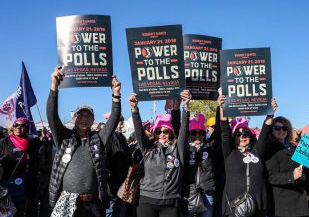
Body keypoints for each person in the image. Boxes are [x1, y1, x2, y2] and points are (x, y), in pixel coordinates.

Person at [46, 66, 122, 217]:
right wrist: (54, 85)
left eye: (89, 116)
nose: (84, 118)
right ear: (74, 118)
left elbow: (113, 120)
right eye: (80, 115)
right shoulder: (64, 137)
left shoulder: (98, 139)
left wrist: (116, 95)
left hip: (94, 204)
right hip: (68, 202)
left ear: (93, 120)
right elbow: (51, 115)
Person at [129, 90, 190, 217]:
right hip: (146, 201)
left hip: (170, 202)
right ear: (154, 133)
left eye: (166, 131)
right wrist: (134, 110)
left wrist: (186, 107)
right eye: (158, 131)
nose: (162, 134)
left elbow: (184, 129)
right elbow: (139, 130)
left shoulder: (178, 148)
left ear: (171, 133)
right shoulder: (148, 148)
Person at [218, 95, 277, 217]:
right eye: (238, 134)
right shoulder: (229, 152)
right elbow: (224, 132)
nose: (242, 136)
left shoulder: (257, 151)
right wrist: (222, 107)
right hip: (233, 207)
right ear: (233, 137)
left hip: (258, 207)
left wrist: (270, 113)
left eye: (245, 133)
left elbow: (265, 133)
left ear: (250, 136)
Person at [266, 117, 309, 217]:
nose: (281, 131)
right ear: (271, 130)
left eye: (284, 128)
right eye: (277, 128)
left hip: (300, 198)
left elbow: (302, 169)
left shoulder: (295, 147)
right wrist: (291, 176)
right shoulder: (269, 149)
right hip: (283, 202)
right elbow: (270, 177)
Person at [0, 117, 40, 217]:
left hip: (28, 184)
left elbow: (38, 161)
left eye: (22, 125)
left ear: (27, 128)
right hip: (8, 184)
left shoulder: (33, 143)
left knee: (27, 211)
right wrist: (7, 158)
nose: (18, 127)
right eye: (16, 125)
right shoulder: (3, 142)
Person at [183, 113, 217, 217]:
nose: (198, 135)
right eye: (194, 132)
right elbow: (179, 128)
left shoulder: (210, 147)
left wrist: (221, 107)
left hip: (207, 192)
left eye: (201, 133)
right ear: (189, 134)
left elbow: (221, 132)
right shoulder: (184, 149)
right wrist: (185, 108)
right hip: (189, 192)